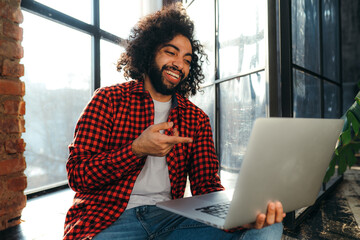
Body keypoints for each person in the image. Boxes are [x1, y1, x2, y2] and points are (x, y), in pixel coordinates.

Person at [63, 4, 284, 240]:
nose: (180, 64)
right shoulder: (108, 99)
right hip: (108, 219)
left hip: (169, 218)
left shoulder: (195, 118)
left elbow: (207, 187)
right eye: (171, 52)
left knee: (268, 226)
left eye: (187, 60)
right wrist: (136, 149)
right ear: (148, 53)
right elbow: (78, 176)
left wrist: (240, 213)